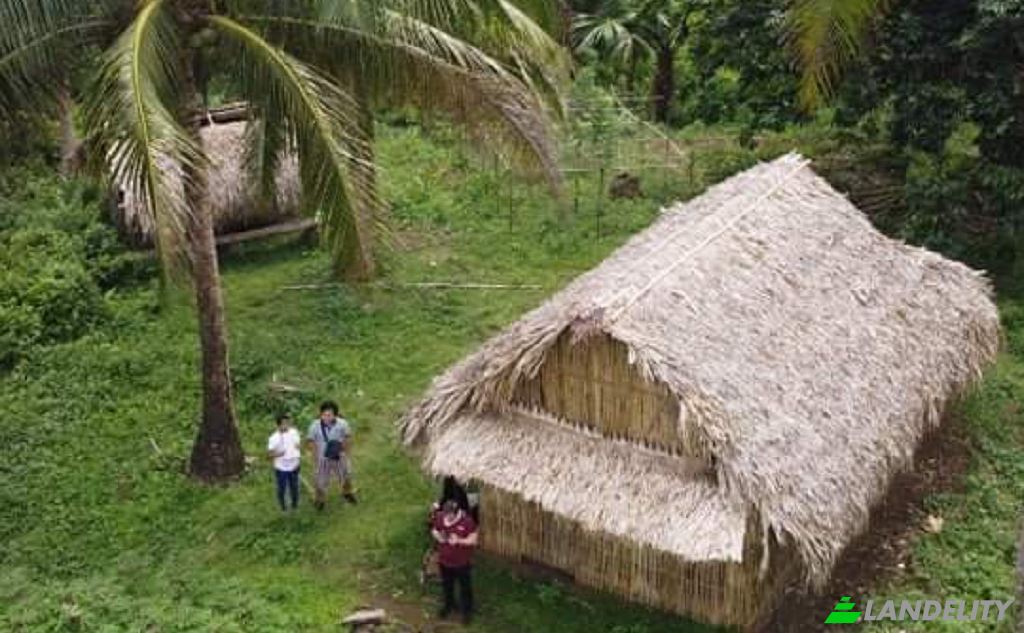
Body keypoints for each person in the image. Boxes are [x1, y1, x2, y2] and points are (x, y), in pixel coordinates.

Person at [431, 499, 478, 623]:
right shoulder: (440, 516)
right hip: (444, 562)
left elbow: (473, 540)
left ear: (456, 513)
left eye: (449, 515)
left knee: (465, 588)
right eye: (445, 513)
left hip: (461, 563)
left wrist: (459, 541)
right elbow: (434, 530)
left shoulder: (467, 522)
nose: (447, 517)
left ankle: (467, 612)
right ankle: (449, 605)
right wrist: (439, 537)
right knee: (447, 586)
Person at [306, 400, 356, 510]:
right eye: (324, 414)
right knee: (319, 481)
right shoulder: (314, 426)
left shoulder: (342, 423)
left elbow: (348, 437)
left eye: (330, 415)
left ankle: (347, 493)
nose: (326, 417)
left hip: (339, 456)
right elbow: (311, 442)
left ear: (335, 415)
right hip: (322, 458)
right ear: (321, 414)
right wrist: (314, 458)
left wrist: (345, 452)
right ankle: (320, 500)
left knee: (346, 476)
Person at [267, 413, 301, 511]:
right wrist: (279, 454)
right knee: (282, 488)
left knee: (294, 487)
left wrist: (297, 459)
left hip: (294, 466)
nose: (286, 426)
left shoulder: (294, 432)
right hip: (281, 468)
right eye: (283, 424)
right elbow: (269, 455)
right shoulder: (273, 438)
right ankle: (283, 507)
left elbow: (298, 447)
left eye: (288, 423)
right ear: (278, 425)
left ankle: (295, 506)